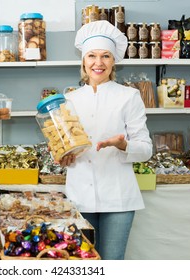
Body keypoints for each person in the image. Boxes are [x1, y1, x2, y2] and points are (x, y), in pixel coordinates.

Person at [60, 20, 153, 260]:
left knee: (112, 262)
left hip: (118, 196)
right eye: (91, 55)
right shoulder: (69, 99)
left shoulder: (129, 97)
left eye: (105, 56)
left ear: (114, 62)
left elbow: (145, 150)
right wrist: (63, 156)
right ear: (83, 60)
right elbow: (63, 147)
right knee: (82, 264)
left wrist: (122, 145)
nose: (98, 63)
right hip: (79, 194)